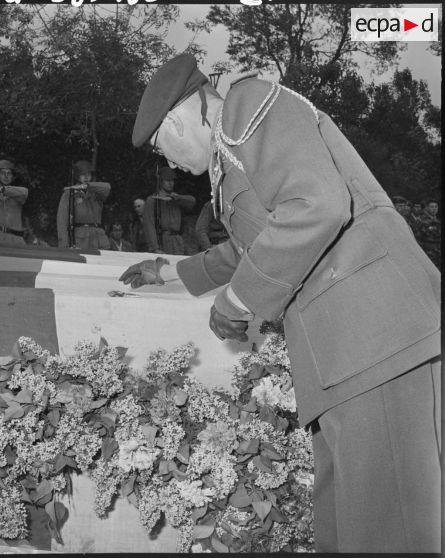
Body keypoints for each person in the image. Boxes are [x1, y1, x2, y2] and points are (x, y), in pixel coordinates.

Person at [119, 54, 441, 553]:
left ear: (183, 117)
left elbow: (316, 205)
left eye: (163, 147)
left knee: (386, 524)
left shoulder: (247, 106)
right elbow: (256, 243)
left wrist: (240, 298)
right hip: (344, 348)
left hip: (373, 334)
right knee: (347, 522)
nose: (169, 165)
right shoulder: (230, 153)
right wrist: (169, 272)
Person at [56, 160, 110, 251]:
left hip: (98, 239)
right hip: (80, 239)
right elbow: (62, 220)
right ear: (77, 175)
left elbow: (107, 188)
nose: (86, 177)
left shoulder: (96, 191)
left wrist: (87, 186)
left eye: (89, 174)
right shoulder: (69, 193)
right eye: (83, 174)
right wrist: (64, 243)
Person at [143, 166, 195, 254]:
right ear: (160, 182)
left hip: (177, 240)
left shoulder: (176, 199)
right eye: (167, 181)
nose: (171, 183)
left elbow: (192, 201)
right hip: (163, 240)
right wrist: (155, 247)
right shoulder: (152, 200)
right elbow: (149, 226)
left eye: (172, 180)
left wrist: (179, 197)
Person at [419, 198, 441, 267]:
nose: (434, 209)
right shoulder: (421, 220)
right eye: (432, 207)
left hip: (438, 252)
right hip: (428, 252)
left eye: (436, 207)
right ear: (427, 208)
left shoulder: (439, 221)